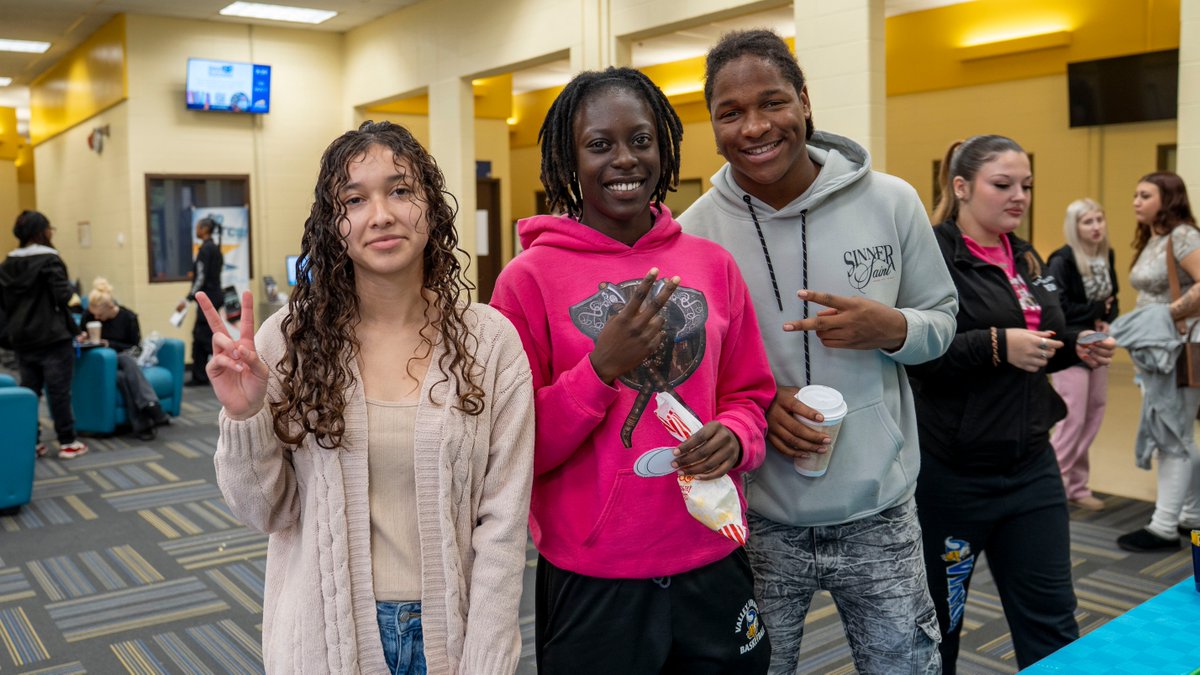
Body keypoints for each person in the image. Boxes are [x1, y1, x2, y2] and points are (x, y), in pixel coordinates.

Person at [204, 121, 534, 674]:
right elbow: (265, 512)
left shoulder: (490, 342)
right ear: (333, 225)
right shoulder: (288, 341)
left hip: (451, 635)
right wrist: (244, 416)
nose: (380, 215)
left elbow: (503, 525)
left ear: (431, 207)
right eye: (354, 200)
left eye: (400, 190)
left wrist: (486, 657)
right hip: (324, 634)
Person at [677, 29, 957, 674]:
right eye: (730, 112)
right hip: (756, 517)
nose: (754, 127)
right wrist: (754, 403)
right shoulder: (695, 236)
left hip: (879, 510)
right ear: (713, 126)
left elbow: (942, 323)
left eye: (772, 102)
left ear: (804, 101)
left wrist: (891, 327)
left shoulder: (891, 201)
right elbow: (684, 380)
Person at [490, 67, 775, 673]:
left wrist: (736, 435)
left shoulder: (712, 264)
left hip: (712, 552)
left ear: (663, 147)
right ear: (569, 160)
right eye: (600, 144)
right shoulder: (527, 281)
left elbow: (749, 393)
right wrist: (601, 369)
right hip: (595, 576)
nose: (625, 159)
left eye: (641, 140)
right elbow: (513, 444)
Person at [909, 135, 1116, 672]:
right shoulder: (932, 254)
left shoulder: (1025, 254)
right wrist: (996, 345)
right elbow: (912, 353)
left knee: (1054, 624)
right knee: (939, 629)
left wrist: (1076, 346)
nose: (1019, 196)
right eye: (1002, 185)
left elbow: (1042, 340)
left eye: (1026, 185)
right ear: (961, 187)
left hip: (1031, 468)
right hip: (953, 475)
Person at [1115, 171, 1200, 552]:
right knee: (1177, 432)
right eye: (1135, 194)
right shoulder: (1155, 238)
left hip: (1178, 348)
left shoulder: (1183, 236)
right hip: (1158, 351)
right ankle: (1192, 515)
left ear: (1169, 199)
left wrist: (1168, 314)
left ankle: (1163, 527)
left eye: (1145, 195)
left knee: (1170, 434)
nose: (1136, 201)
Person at [1046, 199, 1119, 511]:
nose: (1096, 227)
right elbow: (1059, 308)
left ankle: (1077, 486)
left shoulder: (1105, 255)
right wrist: (1097, 309)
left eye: (1099, 219)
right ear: (1074, 227)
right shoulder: (1062, 260)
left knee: (1093, 412)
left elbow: (1113, 300)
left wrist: (1106, 317)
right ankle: (1052, 485)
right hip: (1071, 344)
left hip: (1097, 339)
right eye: (1088, 221)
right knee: (1072, 418)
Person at [0, 210, 89, 460]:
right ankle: (67, 442)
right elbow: (64, 296)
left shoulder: (7, 264)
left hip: (22, 339)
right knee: (59, 392)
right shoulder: (50, 260)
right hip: (53, 338)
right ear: (42, 231)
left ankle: (32, 442)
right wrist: (77, 318)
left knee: (30, 391)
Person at [82, 277, 170, 440]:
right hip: (101, 362)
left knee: (124, 367)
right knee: (122, 370)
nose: (97, 318)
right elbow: (81, 337)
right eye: (95, 315)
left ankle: (142, 424)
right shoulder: (88, 316)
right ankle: (151, 406)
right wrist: (84, 337)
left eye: (100, 315)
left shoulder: (128, 317)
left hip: (126, 359)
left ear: (110, 307)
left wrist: (109, 344)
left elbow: (135, 347)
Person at [176, 215, 223, 386]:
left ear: (204, 229)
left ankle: (204, 375)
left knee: (202, 338)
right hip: (214, 296)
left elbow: (201, 277)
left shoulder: (205, 250)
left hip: (207, 298)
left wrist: (189, 297)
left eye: (198, 227)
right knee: (205, 336)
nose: (196, 230)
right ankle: (203, 375)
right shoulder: (215, 248)